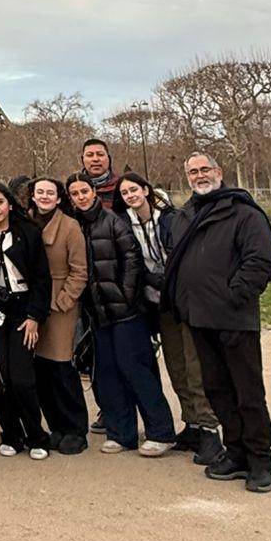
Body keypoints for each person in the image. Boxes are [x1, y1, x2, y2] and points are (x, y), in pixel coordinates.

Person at [162, 152, 271, 493]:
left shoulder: (244, 213)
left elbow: (261, 262)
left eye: (204, 169)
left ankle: (260, 459)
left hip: (234, 319)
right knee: (218, 390)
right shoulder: (185, 216)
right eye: (193, 172)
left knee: (248, 392)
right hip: (198, 319)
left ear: (219, 171)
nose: (199, 176)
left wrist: (232, 297)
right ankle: (236, 451)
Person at [114, 171, 222, 464]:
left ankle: (209, 429)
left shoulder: (170, 220)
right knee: (176, 366)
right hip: (158, 305)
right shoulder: (125, 223)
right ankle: (192, 423)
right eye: (124, 193)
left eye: (134, 190)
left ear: (146, 190)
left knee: (194, 365)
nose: (130, 196)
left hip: (184, 301)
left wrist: (164, 279)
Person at [67, 172, 176, 458]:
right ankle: (121, 432)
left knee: (137, 370)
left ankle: (161, 431)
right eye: (75, 193)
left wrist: (126, 297)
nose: (80, 197)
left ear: (93, 192)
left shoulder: (113, 221)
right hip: (98, 312)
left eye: (84, 191)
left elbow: (132, 260)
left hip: (126, 311)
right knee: (108, 373)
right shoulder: (76, 224)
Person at [0, 183, 51, 460]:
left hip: (22, 309)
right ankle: (11, 434)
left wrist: (34, 317)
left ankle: (36, 435)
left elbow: (41, 278)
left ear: (10, 204)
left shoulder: (28, 233)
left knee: (22, 378)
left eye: (0, 202)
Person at [28, 177, 89, 454]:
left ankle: (75, 428)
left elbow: (79, 270)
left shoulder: (70, 226)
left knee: (62, 368)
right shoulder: (26, 222)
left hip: (58, 303)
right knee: (41, 369)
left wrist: (64, 300)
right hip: (33, 302)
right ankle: (56, 426)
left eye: (49, 192)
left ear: (59, 198)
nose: (44, 196)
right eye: (39, 192)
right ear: (32, 196)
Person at [81, 139, 121, 210]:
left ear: (109, 159)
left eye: (100, 154)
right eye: (90, 155)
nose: (95, 159)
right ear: (82, 160)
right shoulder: (73, 188)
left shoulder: (121, 186)